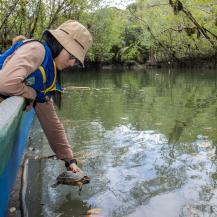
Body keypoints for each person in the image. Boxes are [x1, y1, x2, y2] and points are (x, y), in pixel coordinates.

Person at [0, 20, 93, 173]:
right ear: (58, 44)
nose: (72, 63)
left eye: (76, 61)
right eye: (71, 56)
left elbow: (52, 123)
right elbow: (4, 83)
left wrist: (70, 160)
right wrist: (32, 94)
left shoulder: (49, 76)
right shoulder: (37, 49)